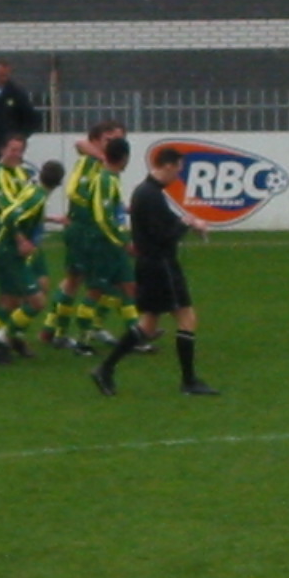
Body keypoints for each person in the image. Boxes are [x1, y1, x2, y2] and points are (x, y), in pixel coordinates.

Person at [91, 148, 220, 397]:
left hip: (149, 265)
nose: (178, 176)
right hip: (161, 266)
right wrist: (185, 224)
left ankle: (105, 369)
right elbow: (164, 236)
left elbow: (168, 221)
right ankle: (189, 381)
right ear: (168, 166)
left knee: (148, 325)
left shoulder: (148, 192)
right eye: (179, 169)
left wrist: (190, 222)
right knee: (187, 319)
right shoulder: (150, 195)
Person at [40, 120, 126, 349]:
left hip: (91, 229)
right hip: (86, 230)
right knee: (86, 281)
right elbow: (79, 145)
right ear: (97, 141)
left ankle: (56, 328)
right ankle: (66, 331)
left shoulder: (106, 167)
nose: (114, 144)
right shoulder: (91, 161)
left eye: (118, 140)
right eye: (109, 139)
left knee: (86, 280)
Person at [0, 160, 66, 359]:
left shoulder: (32, 190)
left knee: (9, 302)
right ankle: (0, 339)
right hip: (10, 254)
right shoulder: (37, 197)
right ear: (59, 183)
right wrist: (21, 240)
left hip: (6, 252)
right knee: (36, 301)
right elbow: (9, 217)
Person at [70, 136, 141, 357]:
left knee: (129, 286)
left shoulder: (111, 178)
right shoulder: (104, 180)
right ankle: (83, 341)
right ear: (125, 158)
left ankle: (136, 337)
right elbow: (102, 218)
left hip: (113, 244)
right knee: (95, 291)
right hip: (103, 244)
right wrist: (123, 241)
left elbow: (113, 213)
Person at [0, 134, 36, 357]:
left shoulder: (22, 174)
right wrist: (18, 238)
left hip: (24, 240)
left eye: (19, 150)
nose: (16, 154)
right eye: (12, 149)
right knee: (11, 296)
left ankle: (12, 336)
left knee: (22, 292)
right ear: (2, 150)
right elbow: (7, 209)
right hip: (7, 239)